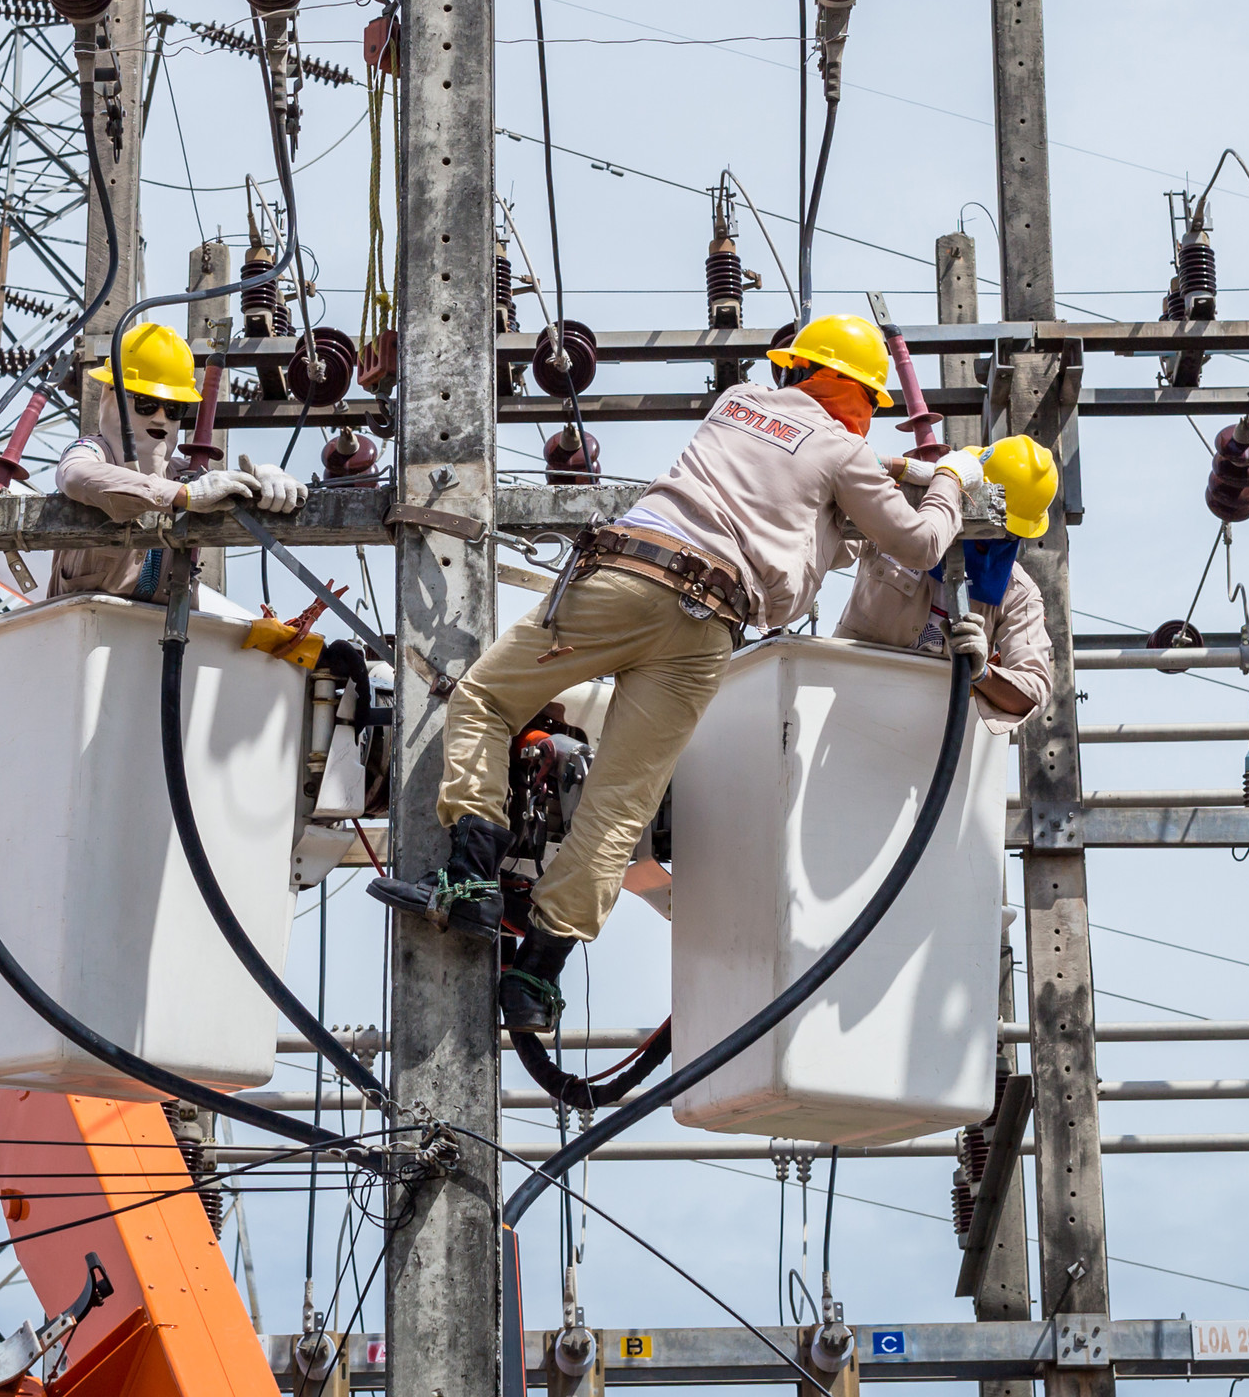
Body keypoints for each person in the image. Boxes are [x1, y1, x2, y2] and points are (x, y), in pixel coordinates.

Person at [369, 313, 982, 1031]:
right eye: (869, 405)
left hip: (627, 579)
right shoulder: (847, 455)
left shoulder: (739, 401)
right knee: (619, 804)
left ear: (797, 370)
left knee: (484, 700)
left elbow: (786, 476)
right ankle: (534, 976)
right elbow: (919, 541)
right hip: (705, 629)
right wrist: (948, 480)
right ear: (856, 391)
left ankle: (473, 877)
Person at [47, 323, 305, 599]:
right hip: (85, 631)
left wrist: (264, 481)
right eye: (145, 403)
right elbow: (76, 475)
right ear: (112, 399)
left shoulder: (184, 473)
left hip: (164, 635)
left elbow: (222, 487)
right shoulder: (93, 451)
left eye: (173, 409)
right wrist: (181, 495)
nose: (160, 418)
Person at [834, 434, 1059, 731]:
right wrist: (904, 470)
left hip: (925, 736)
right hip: (844, 701)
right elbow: (830, 528)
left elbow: (1032, 691)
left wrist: (981, 673)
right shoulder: (902, 525)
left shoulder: (1016, 593)